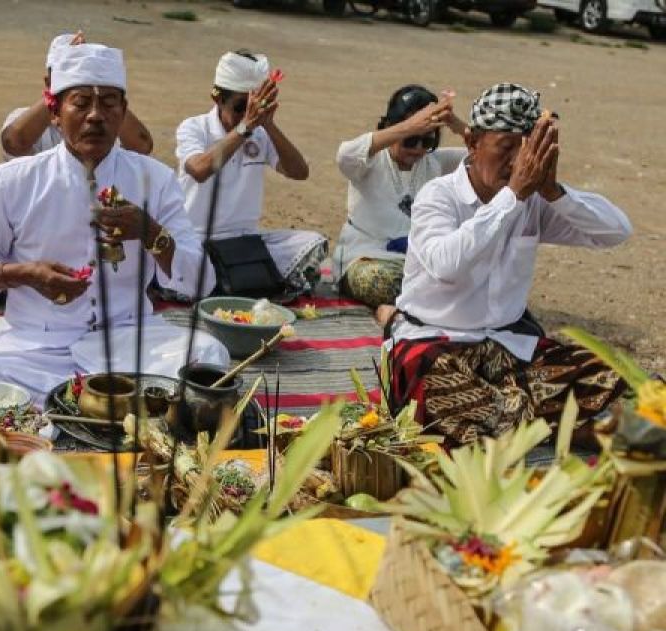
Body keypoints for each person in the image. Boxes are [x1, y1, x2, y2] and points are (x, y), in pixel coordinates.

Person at [0, 44, 228, 407]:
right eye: (81, 102)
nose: (95, 116)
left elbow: (202, 281)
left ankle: (70, 410)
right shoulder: (14, 180)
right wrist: (27, 274)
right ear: (55, 113)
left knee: (208, 356)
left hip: (132, 339)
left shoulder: (153, 179)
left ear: (123, 112)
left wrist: (151, 233)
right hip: (40, 347)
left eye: (109, 103)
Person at [387, 83, 632, 447]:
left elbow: (615, 232)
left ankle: (509, 425)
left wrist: (553, 192)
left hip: (505, 349)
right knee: (433, 385)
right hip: (435, 343)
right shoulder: (438, 196)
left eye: (526, 150)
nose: (518, 163)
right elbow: (446, 265)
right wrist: (511, 197)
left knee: (617, 375)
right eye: (505, 149)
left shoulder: (534, 197)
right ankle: (558, 429)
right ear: (472, 142)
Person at [175, 50, 327, 297]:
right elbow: (200, 170)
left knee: (311, 243)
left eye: (254, 108)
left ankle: (234, 281)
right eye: (240, 108)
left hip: (245, 243)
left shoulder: (260, 131)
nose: (248, 116)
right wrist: (245, 128)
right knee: (179, 266)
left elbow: (300, 172)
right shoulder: (194, 127)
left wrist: (268, 124)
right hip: (197, 240)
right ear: (217, 98)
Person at [334, 85, 467, 313]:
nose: (417, 149)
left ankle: (400, 312)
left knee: (468, 274)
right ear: (390, 128)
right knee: (379, 280)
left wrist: (455, 124)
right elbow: (344, 155)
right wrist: (408, 127)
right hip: (368, 260)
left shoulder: (435, 163)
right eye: (410, 140)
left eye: (427, 141)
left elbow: (489, 155)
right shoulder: (369, 161)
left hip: (417, 265)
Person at [0, 31, 153, 160]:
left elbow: (142, 147)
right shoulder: (21, 118)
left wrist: (107, 94)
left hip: (103, 192)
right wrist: (56, 96)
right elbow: (13, 144)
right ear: (48, 82)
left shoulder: (105, 120)